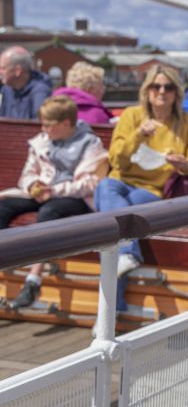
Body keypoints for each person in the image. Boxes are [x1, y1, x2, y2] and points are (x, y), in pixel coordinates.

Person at [94, 65, 188, 276]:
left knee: (115, 217)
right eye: (155, 86)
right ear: (146, 91)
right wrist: (138, 135)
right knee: (105, 187)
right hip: (120, 181)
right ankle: (128, 254)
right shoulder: (132, 116)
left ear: (177, 93)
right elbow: (117, 160)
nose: (161, 92)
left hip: (154, 189)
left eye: (168, 88)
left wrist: (186, 165)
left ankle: (119, 288)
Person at [0, 96, 108, 308]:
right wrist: (33, 185)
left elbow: (90, 183)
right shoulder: (42, 141)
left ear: (66, 123)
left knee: (49, 212)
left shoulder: (90, 144)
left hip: (74, 198)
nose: (43, 128)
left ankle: (34, 279)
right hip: (43, 192)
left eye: (48, 125)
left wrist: (54, 190)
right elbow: (27, 174)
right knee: (3, 208)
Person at [0, 46, 52, 119]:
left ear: (17, 70)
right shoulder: (7, 89)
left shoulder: (40, 92)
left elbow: (40, 124)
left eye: (3, 68)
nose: (0, 72)